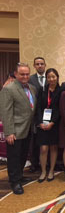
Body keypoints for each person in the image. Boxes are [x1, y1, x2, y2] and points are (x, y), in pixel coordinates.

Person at [0, 63, 36, 194]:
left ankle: (20, 176)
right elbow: (6, 112)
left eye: (27, 74)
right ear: (15, 74)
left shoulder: (32, 88)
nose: (25, 76)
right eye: (22, 74)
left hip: (28, 129)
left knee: (23, 155)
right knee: (14, 157)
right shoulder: (8, 89)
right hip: (15, 130)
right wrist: (9, 132)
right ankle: (14, 182)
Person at [35, 68, 61, 183]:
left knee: (53, 147)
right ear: (47, 78)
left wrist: (52, 122)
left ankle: (51, 170)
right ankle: (43, 171)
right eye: (49, 77)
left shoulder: (62, 90)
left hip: (55, 124)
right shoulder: (42, 90)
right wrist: (40, 122)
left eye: (53, 77)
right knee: (44, 148)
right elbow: (38, 107)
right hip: (43, 123)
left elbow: (60, 109)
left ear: (57, 77)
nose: (51, 79)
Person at [28, 56, 46, 173]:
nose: (40, 65)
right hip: (35, 114)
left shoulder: (50, 77)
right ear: (34, 66)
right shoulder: (29, 79)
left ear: (45, 65)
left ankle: (46, 162)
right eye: (37, 64)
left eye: (42, 64)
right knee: (34, 141)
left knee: (47, 141)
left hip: (49, 113)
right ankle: (34, 163)